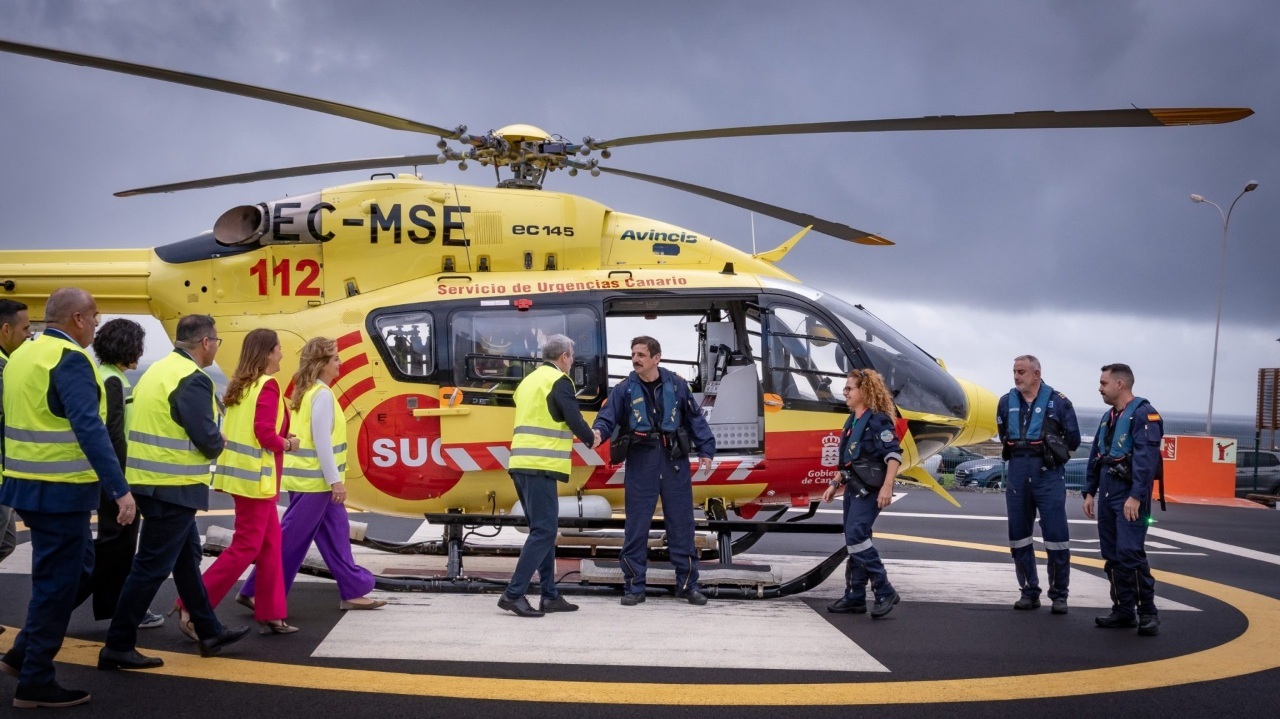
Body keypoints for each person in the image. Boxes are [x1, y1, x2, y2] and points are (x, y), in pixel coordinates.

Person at [0, 288, 134, 708]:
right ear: (77, 318)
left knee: (75, 571)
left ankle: (23, 653)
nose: (97, 323)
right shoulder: (70, 360)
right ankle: (35, 679)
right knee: (57, 584)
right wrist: (119, 489)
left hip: (26, 485)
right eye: (94, 316)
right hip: (60, 491)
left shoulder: (22, 355)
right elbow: (89, 427)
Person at [99, 315, 250, 670]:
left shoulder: (157, 371)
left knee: (185, 559)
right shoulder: (192, 380)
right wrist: (219, 439)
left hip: (150, 481)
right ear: (207, 343)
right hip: (174, 487)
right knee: (150, 567)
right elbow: (208, 441)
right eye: (217, 343)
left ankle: (209, 630)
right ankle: (118, 645)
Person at [236, 337, 386, 612]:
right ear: (323, 365)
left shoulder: (306, 393)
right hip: (316, 483)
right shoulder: (323, 396)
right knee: (292, 540)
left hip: (308, 481)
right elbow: (322, 443)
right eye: (335, 359)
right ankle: (255, 590)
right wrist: (335, 482)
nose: (340, 363)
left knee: (336, 535)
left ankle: (352, 591)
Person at [188, 328, 298, 634]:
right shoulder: (268, 385)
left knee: (271, 545)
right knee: (246, 547)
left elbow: (253, 430)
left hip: (242, 477)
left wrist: (278, 437)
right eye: (277, 348)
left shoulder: (242, 386)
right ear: (266, 353)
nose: (281, 354)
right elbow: (264, 435)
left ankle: (272, 612)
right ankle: (191, 603)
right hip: (257, 481)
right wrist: (287, 443)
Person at [591, 336, 715, 606]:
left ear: (656, 358)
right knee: (636, 528)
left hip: (674, 461)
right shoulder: (623, 390)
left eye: (641, 355)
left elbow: (694, 418)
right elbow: (607, 416)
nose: (635, 359)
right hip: (641, 460)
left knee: (682, 526)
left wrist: (706, 449)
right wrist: (598, 432)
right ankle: (634, 587)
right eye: (633, 354)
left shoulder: (678, 385)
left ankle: (687, 585)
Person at [70, 319, 166, 629]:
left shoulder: (106, 375)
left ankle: (116, 606)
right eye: (137, 345)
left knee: (118, 544)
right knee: (116, 545)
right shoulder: (113, 381)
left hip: (106, 475)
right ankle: (59, 603)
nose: (139, 352)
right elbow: (114, 435)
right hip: (116, 477)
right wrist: (122, 483)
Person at [497, 334, 597, 618]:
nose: (572, 361)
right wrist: (592, 437)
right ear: (564, 356)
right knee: (544, 531)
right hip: (540, 464)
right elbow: (572, 416)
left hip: (522, 463)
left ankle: (550, 595)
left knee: (542, 530)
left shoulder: (529, 381)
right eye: (572, 357)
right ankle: (513, 594)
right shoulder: (559, 381)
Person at [995, 355, 1081, 614]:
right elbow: (1003, 435)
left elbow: (1073, 439)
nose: (1016, 376)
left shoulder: (1059, 403)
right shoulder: (1005, 402)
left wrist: (1051, 452)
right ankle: (1029, 591)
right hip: (1018, 472)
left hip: (1048, 473)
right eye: (1014, 371)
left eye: (1021, 371)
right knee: (1019, 536)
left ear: (1036, 373)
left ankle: (1059, 595)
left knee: (1056, 536)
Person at [1082, 363, 1163, 637]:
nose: (1100, 388)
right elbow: (1097, 455)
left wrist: (1136, 497)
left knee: (1130, 553)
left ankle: (1148, 613)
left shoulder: (1143, 415)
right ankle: (1123, 610)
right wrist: (1090, 491)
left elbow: (1146, 460)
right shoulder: (1109, 417)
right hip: (1107, 492)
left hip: (1129, 495)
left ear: (1120, 384)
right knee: (1112, 554)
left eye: (1104, 383)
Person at [821, 369, 902, 619]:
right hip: (853, 487)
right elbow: (848, 460)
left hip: (869, 490)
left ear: (864, 391)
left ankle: (884, 589)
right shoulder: (852, 420)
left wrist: (887, 487)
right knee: (856, 537)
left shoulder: (878, 420)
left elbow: (893, 455)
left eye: (849, 389)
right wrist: (835, 483)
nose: (845, 393)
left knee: (856, 535)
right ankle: (855, 595)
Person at [0, 298, 34, 570]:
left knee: (7, 542)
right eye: (25, 329)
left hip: (5, 474)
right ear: (6, 330)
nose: (30, 335)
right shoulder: (3, 369)